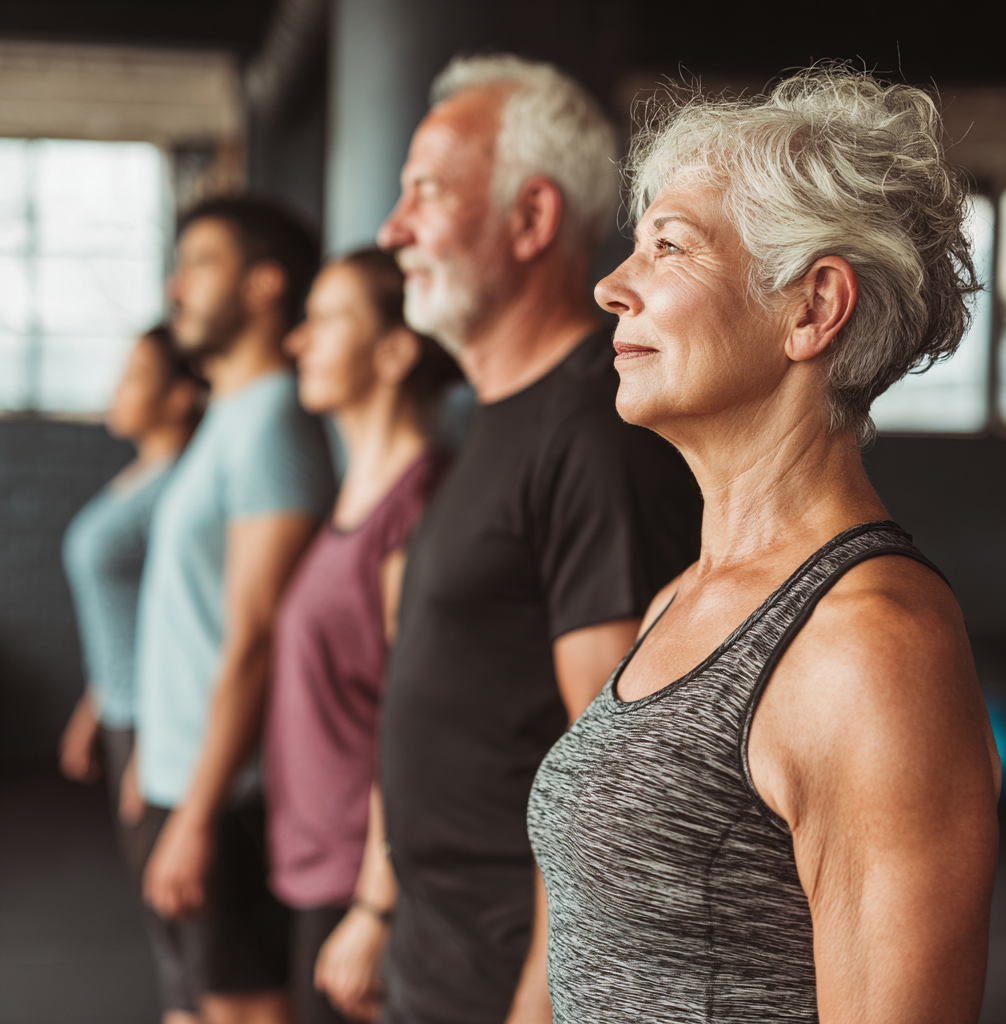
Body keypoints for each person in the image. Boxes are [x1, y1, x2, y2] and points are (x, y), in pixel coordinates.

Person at [527, 68, 1002, 1023]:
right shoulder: (679, 598)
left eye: (669, 246)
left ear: (813, 308)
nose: (611, 287)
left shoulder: (871, 646)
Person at [316, 55, 702, 1024]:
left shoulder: (593, 433)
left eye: (425, 194)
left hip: (507, 983)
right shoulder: (493, 420)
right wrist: (382, 907)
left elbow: (611, 777)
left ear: (531, 219)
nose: (392, 230)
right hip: (438, 955)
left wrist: (538, 1003)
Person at [130, 197, 336, 1024]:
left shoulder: (273, 422)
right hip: (180, 775)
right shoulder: (232, 414)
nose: (176, 287)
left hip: (226, 792)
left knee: (241, 1011)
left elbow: (255, 636)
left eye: (201, 264)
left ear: (264, 285)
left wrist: (199, 812)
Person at [262, 248, 461, 1024]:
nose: (297, 340)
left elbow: (417, 725)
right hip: (316, 863)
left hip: (363, 878)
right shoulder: (357, 494)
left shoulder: (415, 510)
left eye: (326, 319)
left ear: (395, 351)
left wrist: (377, 906)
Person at [60, 326, 204, 868]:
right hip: (123, 709)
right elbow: (129, 610)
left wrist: (152, 748)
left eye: (136, 376)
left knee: (167, 883)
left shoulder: (177, 490)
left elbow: (177, 623)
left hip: (157, 718)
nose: (116, 390)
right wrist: (94, 703)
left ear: (181, 395)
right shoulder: (143, 476)